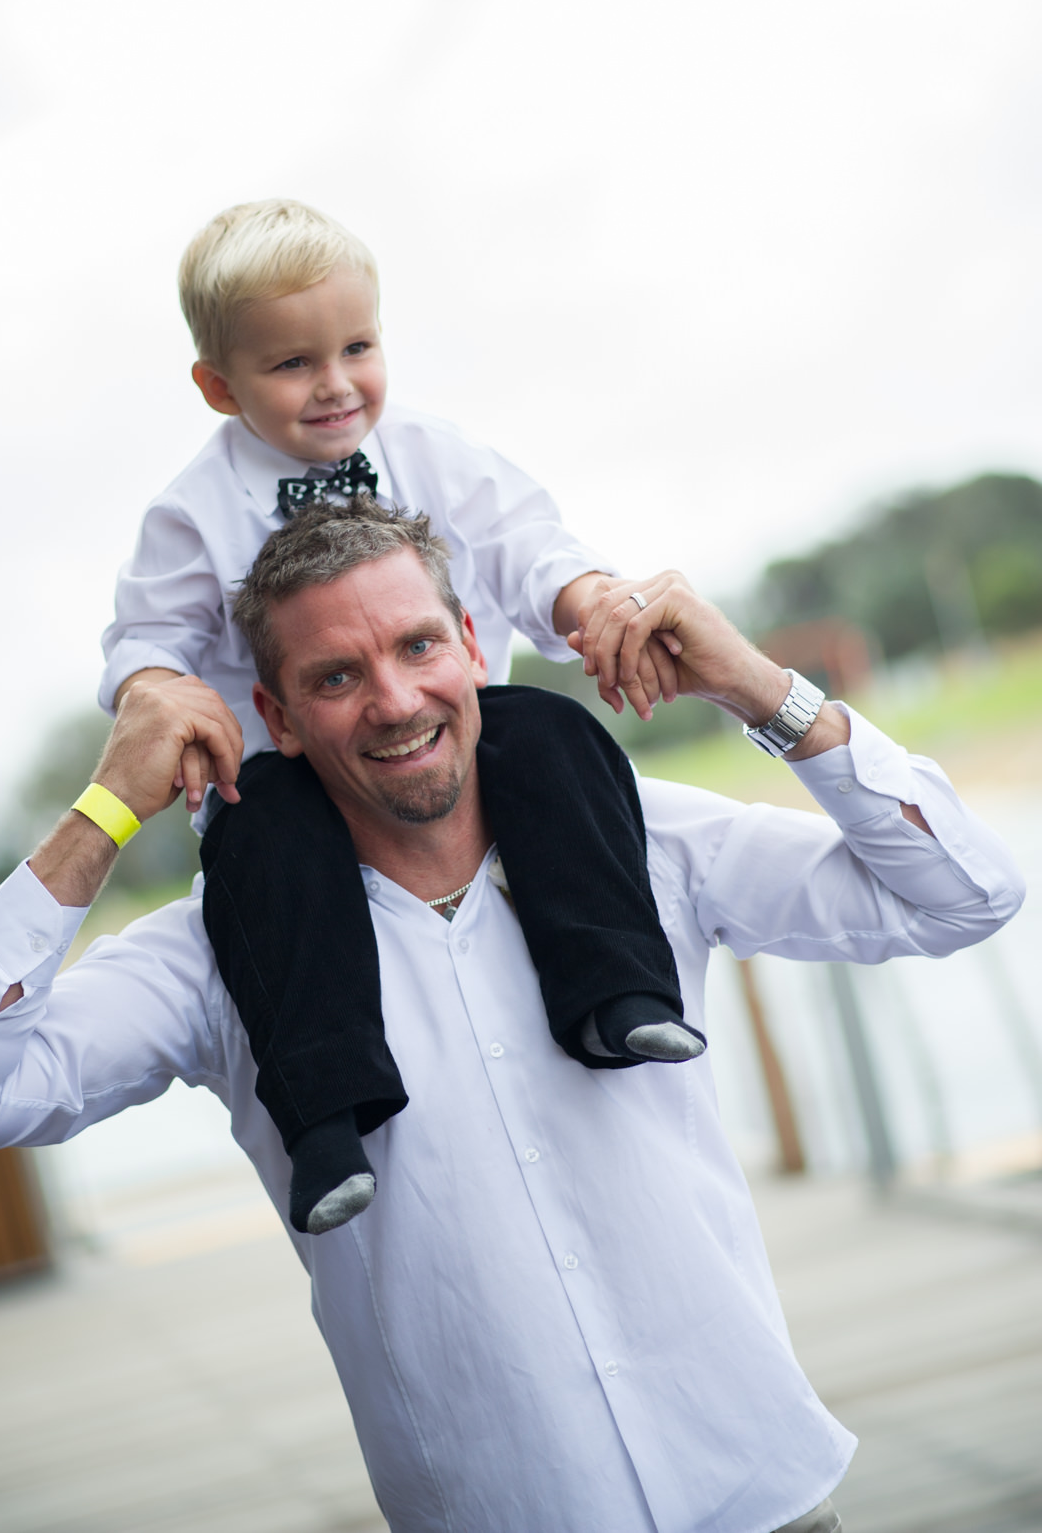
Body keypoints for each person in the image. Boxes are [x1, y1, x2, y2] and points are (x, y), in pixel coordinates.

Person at [0, 503, 1024, 1533]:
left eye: (419, 645)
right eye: (335, 677)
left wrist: (757, 688)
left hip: (762, 1492)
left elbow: (968, 892)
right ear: (274, 714)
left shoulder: (644, 843)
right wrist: (108, 809)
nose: (395, 700)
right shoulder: (216, 955)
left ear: (473, 644)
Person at [102, 197, 705, 1234]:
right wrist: (157, 689)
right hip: (293, 769)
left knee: (551, 735)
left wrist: (589, 600)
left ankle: (618, 989)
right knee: (262, 850)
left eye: (357, 347)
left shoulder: (434, 452)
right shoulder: (191, 511)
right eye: (292, 365)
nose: (335, 384)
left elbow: (527, 548)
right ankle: (327, 1116)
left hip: (449, 737)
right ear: (218, 385)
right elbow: (142, 641)